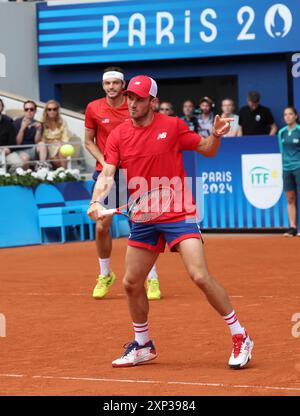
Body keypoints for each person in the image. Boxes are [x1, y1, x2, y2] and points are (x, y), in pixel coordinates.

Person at [87, 75, 254, 369]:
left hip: (178, 211)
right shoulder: (118, 135)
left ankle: (240, 334)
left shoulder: (172, 125)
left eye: (139, 98)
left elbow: (206, 148)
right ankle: (143, 345)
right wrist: (96, 201)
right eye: (129, 97)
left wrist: (215, 135)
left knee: (199, 276)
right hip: (144, 217)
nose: (132, 103)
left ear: (153, 101)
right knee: (131, 283)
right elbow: (107, 173)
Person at [85, 67, 161, 300]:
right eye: (107, 84)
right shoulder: (93, 108)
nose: (111, 88)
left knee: (142, 224)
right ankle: (105, 274)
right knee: (101, 224)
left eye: (116, 83)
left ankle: (152, 278)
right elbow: (89, 141)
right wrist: (108, 161)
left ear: (123, 85)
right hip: (107, 173)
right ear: (103, 85)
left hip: (136, 173)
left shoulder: (135, 106)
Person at [278, 106, 300, 237]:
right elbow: (282, 151)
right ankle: (292, 227)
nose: (287, 117)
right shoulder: (281, 132)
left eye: (290, 114)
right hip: (286, 168)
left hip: (299, 167)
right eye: (285, 114)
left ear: (296, 116)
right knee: (290, 198)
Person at [13, 100, 48, 170]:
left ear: (35, 111)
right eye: (26, 109)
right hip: (19, 150)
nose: (29, 111)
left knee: (42, 144)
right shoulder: (16, 122)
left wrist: (38, 130)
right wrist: (22, 128)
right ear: (24, 111)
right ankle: (27, 176)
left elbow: (37, 142)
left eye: (31, 109)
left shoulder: (39, 124)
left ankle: (42, 168)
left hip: (32, 149)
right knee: (25, 158)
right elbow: (17, 143)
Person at [42, 100, 70, 169]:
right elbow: (41, 139)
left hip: (59, 145)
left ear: (57, 111)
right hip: (47, 147)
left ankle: (65, 173)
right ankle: (64, 173)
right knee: (56, 161)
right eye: (49, 109)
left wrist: (61, 143)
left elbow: (65, 138)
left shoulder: (62, 122)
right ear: (46, 111)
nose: (52, 111)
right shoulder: (42, 123)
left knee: (62, 150)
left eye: (54, 109)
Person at [0, 98, 22, 173]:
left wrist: (9, 149)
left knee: (18, 163)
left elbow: (13, 140)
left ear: (2, 107)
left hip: (6, 151)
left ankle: (9, 178)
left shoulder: (8, 121)